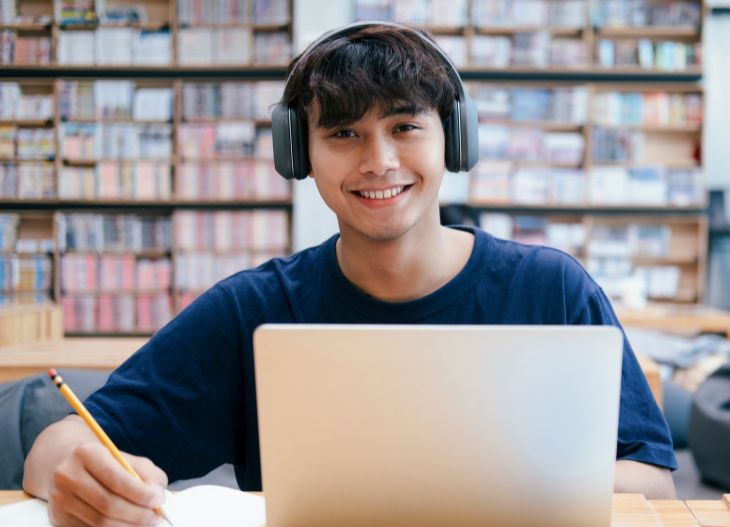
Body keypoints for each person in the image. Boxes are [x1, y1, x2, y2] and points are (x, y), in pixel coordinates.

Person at [24, 23, 677, 527]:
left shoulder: (550, 289)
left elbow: (655, 485)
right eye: (343, 133)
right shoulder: (255, 309)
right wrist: (74, 475)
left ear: (453, 139)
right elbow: (57, 444)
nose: (379, 160)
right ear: (297, 153)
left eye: (404, 125)